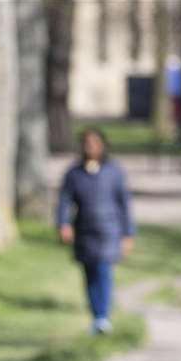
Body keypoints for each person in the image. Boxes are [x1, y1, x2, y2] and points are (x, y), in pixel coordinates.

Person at [56, 127, 136, 335]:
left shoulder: (114, 171)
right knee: (89, 273)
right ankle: (95, 314)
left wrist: (128, 233)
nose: (91, 147)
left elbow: (124, 204)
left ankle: (103, 315)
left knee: (103, 270)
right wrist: (63, 224)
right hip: (84, 230)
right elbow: (64, 201)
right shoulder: (74, 173)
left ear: (102, 145)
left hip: (109, 230)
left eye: (95, 143)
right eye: (87, 143)